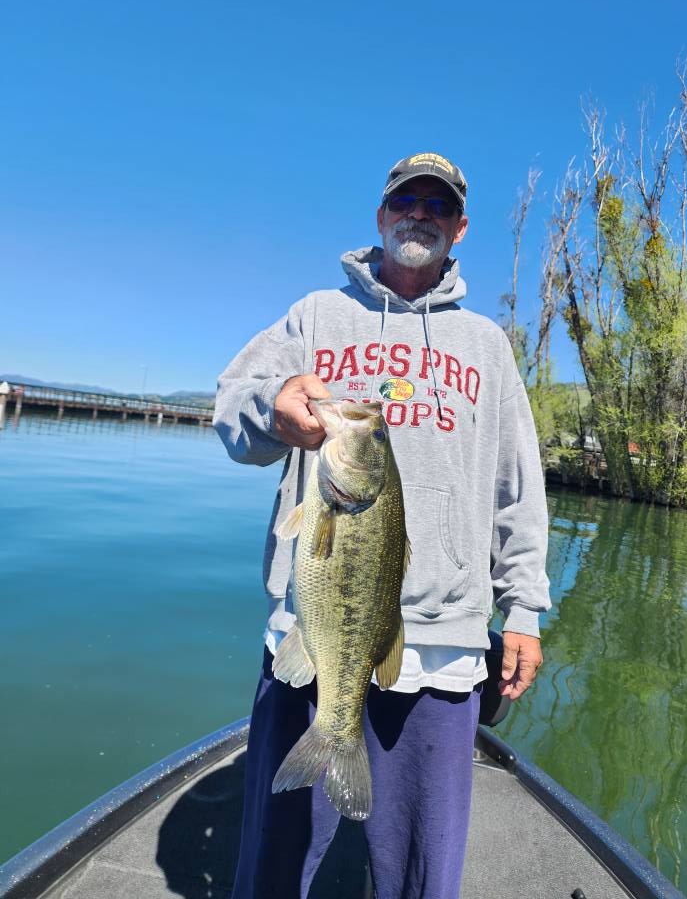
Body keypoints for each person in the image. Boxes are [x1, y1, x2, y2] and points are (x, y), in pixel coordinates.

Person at [214, 152, 552, 899]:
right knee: (274, 865)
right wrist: (274, 407)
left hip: (442, 647)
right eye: (406, 199)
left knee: (422, 873)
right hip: (314, 633)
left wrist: (523, 606)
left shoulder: (487, 346)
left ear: (459, 228)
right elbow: (231, 414)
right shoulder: (314, 316)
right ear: (380, 215)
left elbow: (517, 489)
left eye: (438, 204)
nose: (419, 213)